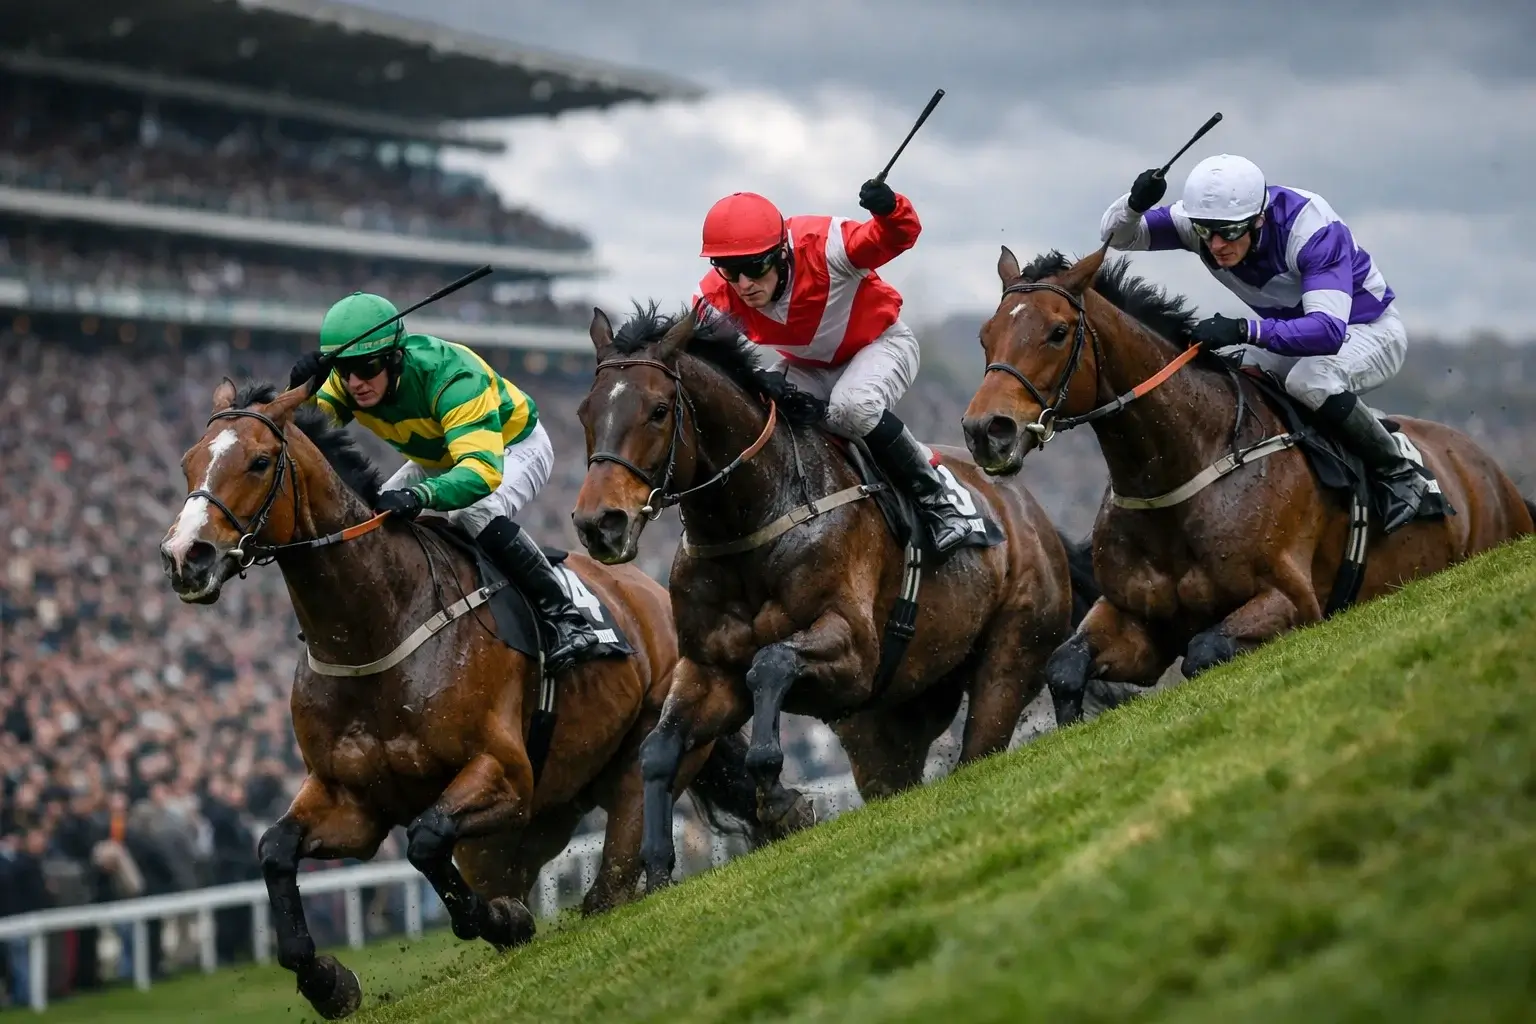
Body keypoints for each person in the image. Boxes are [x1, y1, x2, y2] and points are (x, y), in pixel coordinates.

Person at [1099, 153, 1429, 532]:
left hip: (1369, 331)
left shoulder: (1311, 230)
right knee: (1219, 371)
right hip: (1295, 339)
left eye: (1229, 233)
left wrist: (1246, 330)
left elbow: (1327, 331)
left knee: (1311, 380)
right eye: (1205, 231)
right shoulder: (1206, 224)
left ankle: (1401, 471)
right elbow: (1116, 237)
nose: (1217, 244)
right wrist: (1133, 205)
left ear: (1259, 219)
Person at [289, 292, 602, 675]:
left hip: (509, 446)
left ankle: (567, 618)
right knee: (368, 517)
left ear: (394, 356)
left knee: (472, 510)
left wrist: (420, 495)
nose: (355, 382)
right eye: (343, 369)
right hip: (439, 455)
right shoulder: (348, 382)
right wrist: (299, 393)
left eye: (367, 367)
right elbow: (303, 445)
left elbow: (480, 471)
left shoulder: (452, 376)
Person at [693, 179, 974, 554]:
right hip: (807, 366)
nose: (744, 284)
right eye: (730, 271)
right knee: (756, 413)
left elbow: (896, 236)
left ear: (780, 253)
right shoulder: (716, 293)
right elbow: (701, 352)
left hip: (881, 345)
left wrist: (889, 208)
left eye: (755, 267)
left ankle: (940, 504)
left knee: (852, 407)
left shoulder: (828, 246)